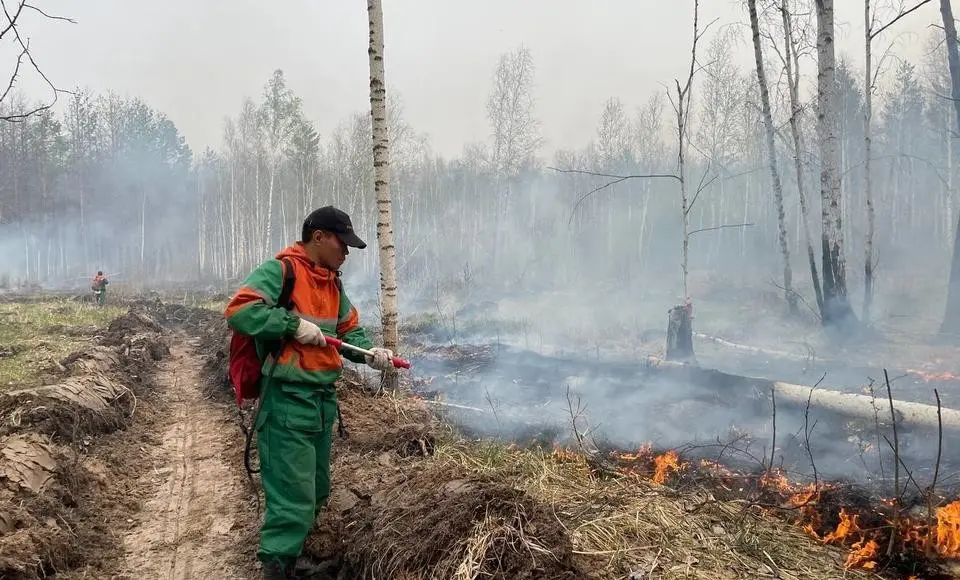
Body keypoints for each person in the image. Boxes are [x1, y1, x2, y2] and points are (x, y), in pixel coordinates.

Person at [223, 206, 394, 580]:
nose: (346, 253)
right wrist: (290, 324)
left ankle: (298, 559)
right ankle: (277, 568)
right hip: (286, 401)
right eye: (342, 243)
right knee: (292, 499)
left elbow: (348, 331)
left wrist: (372, 354)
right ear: (319, 237)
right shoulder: (281, 271)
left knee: (316, 489)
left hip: (321, 402)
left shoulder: (333, 282)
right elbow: (239, 310)